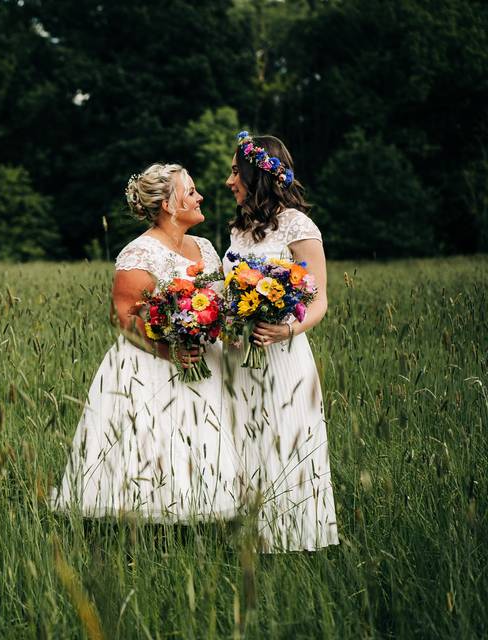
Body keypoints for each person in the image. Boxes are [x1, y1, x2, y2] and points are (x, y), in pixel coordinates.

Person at [52, 163, 239, 523]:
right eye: (191, 192)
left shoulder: (205, 247)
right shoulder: (139, 253)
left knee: (203, 446)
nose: (200, 197)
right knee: (154, 449)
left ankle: (201, 523)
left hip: (205, 362)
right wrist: (170, 349)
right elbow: (123, 317)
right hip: (150, 365)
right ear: (169, 205)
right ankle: (148, 531)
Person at [223, 131, 339, 552]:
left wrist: (285, 329)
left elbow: (319, 299)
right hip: (239, 355)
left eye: (236, 171)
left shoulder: (298, 226)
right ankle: (246, 535)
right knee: (244, 439)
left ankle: (292, 537)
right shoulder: (238, 229)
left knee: (285, 439)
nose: (229, 180)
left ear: (257, 174)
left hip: (284, 352)